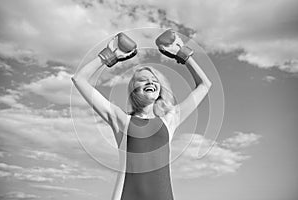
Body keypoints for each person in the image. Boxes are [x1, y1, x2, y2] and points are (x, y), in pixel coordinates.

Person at [71, 30, 212, 200]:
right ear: (133, 89)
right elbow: (79, 79)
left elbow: (205, 85)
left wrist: (183, 54)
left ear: (159, 89)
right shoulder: (121, 120)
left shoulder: (170, 120)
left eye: (154, 80)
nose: (150, 82)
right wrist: (109, 55)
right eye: (143, 79)